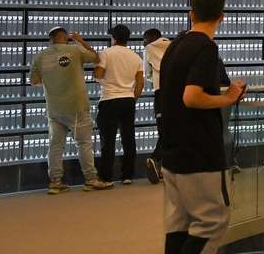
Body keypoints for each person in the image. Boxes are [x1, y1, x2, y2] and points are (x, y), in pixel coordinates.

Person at [155, 0, 246, 253]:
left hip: (173, 152)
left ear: (191, 14)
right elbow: (192, 96)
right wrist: (228, 98)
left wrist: (219, 95)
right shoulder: (206, 47)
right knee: (212, 222)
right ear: (222, 17)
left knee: (178, 224)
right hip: (199, 154)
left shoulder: (175, 45)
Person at [30, 27, 112, 193]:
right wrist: (80, 41)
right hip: (76, 106)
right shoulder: (75, 51)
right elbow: (97, 58)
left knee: (55, 146)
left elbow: (34, 81)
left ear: (50, 39)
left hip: (54, 108)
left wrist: (53, 79)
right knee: (83, 144)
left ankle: (55, 182)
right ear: (65, 37)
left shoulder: (40, 56)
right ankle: (90, 179)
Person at [95, 25, 143, 185]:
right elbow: (140, 83)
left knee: (108, 140)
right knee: (128, 138)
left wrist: (100, 76)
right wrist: (132, 98)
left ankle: (106, 176)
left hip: (109, 99)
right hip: (128, 100)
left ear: (113, 38)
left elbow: (99, 75)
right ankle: (127, 175)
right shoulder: (136, 57)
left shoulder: (106, 53)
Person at [142, 29, 172, 183]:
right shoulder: (174, 46)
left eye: (145, 39)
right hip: (177, 93)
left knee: (163, 131)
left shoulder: (149, 48)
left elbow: (146, 73)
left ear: (152, 38)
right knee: (172, 130)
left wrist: (153, 77)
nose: (144, 42)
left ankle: (155, 158)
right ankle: (164, 170)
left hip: (161, 93)